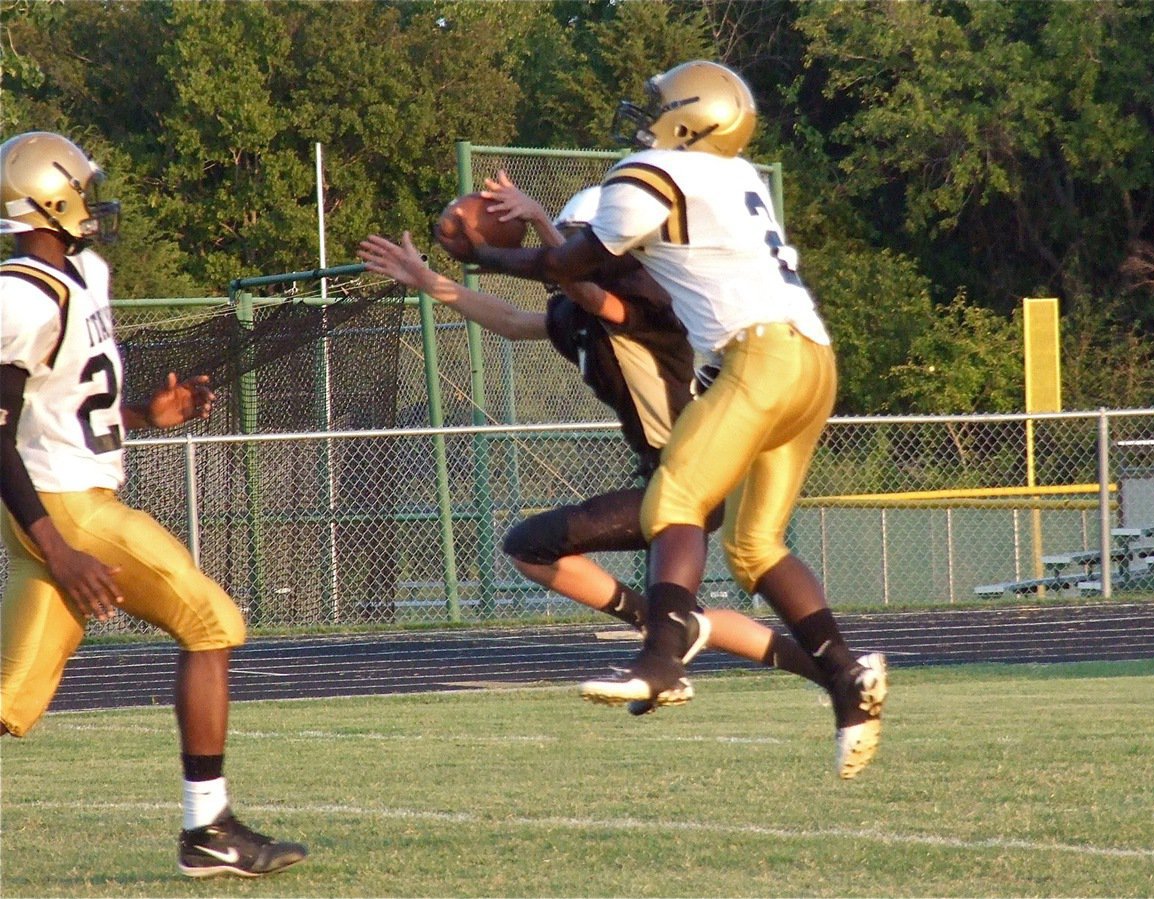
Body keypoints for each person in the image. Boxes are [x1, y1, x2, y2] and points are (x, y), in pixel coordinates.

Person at [433, 61, 888, 779]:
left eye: (659, 106)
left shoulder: (651, 173)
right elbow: (571, 278)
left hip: (760, 355)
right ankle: (847, 681)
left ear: (691, 118)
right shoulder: (736, 176)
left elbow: (574, 262)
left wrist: (483, 252)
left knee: (673, 496)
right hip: (811, 358)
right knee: (755, 547)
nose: (645, 117)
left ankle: (660, 657)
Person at [358, 179, 849, 712]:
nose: (570, 250)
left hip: (700, 475)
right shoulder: (576, 320)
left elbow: (589, 290)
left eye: (582, 240)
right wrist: (428, 280)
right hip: (666, 477)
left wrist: (543, 222)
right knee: (544, 553)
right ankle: (828, 672)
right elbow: (510, 320)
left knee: (532, 545)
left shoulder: (654, 304)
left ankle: (666, 632)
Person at [0, 131, 308, 876]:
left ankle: (209, 832)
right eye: (82, 187)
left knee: (11, 699)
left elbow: (65, 407)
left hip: (69, 496)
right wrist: (62, 547)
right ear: (49, 197)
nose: (94, 201)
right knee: (212, 621)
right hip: (65, 508)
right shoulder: (18, 293)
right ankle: (209, 830)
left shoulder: (80, 273)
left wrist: (144, 415)